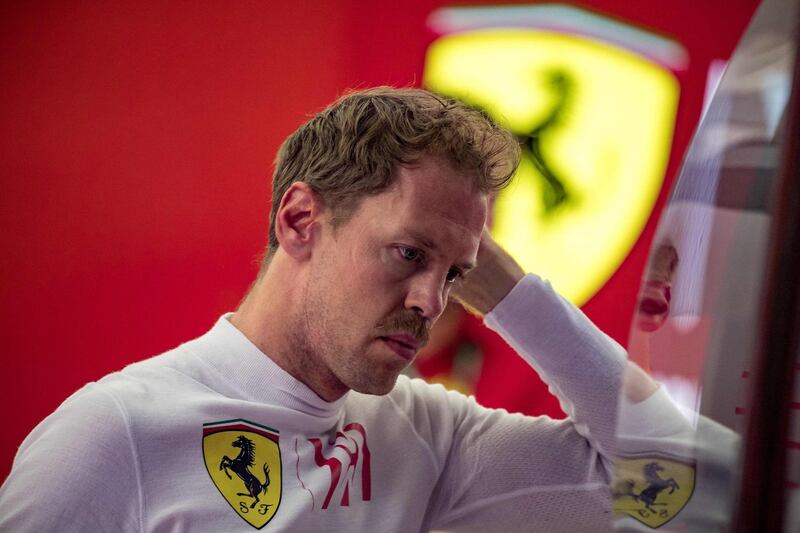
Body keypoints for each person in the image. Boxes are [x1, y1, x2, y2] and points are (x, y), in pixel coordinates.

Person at [0, 87, 664, 532]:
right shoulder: (114, 437)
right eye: (409, 253)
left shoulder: (429, 436)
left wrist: (514, 295)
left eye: (457, 273)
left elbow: (693, 484)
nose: (431, 302)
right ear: (299, 221)